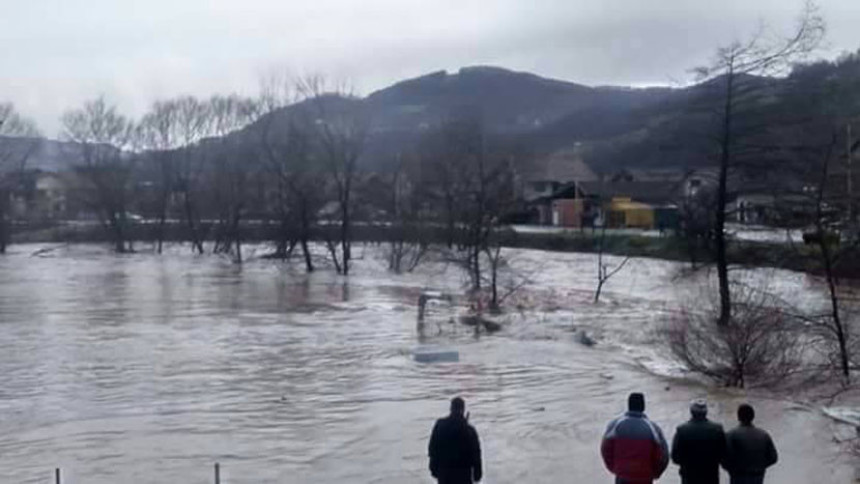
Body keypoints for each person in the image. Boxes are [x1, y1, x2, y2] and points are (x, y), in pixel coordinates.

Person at [601, 392, 669, 484]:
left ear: (628, 405)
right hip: (645, 478)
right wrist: (656, 473)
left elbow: (605, 450)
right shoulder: (653, 428)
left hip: (622, 476)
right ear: (643, 406)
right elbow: (663, 456)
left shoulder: (615, 425)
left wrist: (614, 468)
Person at [428, 397, 483, 484]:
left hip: (444, 474)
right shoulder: (469, 430)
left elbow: (432, 448)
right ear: (463, 410)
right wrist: (477, 474)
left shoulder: (440, 425)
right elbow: (476, 453)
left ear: (451, 408)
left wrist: (433, 468)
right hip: (464, 474)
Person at [671, 399, 726, 484]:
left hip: (689, 477)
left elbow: (675, 457)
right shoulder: (717, 429)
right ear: (706, 412)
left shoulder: (682, 430)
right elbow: (723, 455)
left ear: (691, 412)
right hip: (711, 477)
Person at [722, 404, 778, 484]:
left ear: (738, 417)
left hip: (738, 477)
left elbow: (724, 458)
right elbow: (773, 458)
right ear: (753, 416)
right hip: (757, 477)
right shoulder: (764, 435)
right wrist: (760, 467)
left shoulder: (731, 435)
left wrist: (732, 469)